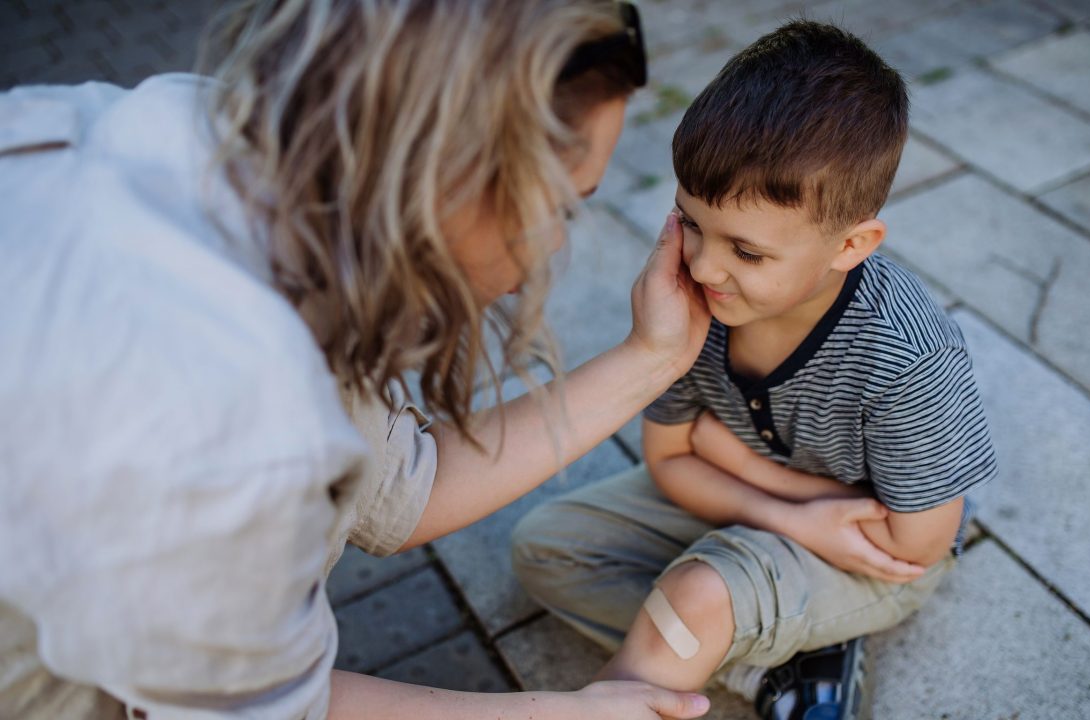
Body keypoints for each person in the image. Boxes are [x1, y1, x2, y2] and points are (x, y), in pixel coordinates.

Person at [0, 1, 715, 718]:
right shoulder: (234, 417)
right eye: (559, 207)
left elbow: (402, 492)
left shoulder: (210, 134)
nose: (555, 245)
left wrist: (653, 357)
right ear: (450, 175)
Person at [512, 20, 999, 720]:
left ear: (851, 245)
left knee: (694, 597)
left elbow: (914, 543)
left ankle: (716, 625)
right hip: (773, 511)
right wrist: (782, 511)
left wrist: (726, 455)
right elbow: (669, 461)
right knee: (545, 549)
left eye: (746, 251)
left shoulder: (908, 357)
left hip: (867, 554)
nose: (706, 266)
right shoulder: (692, 298)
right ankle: (784, 667)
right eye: (690, 222)